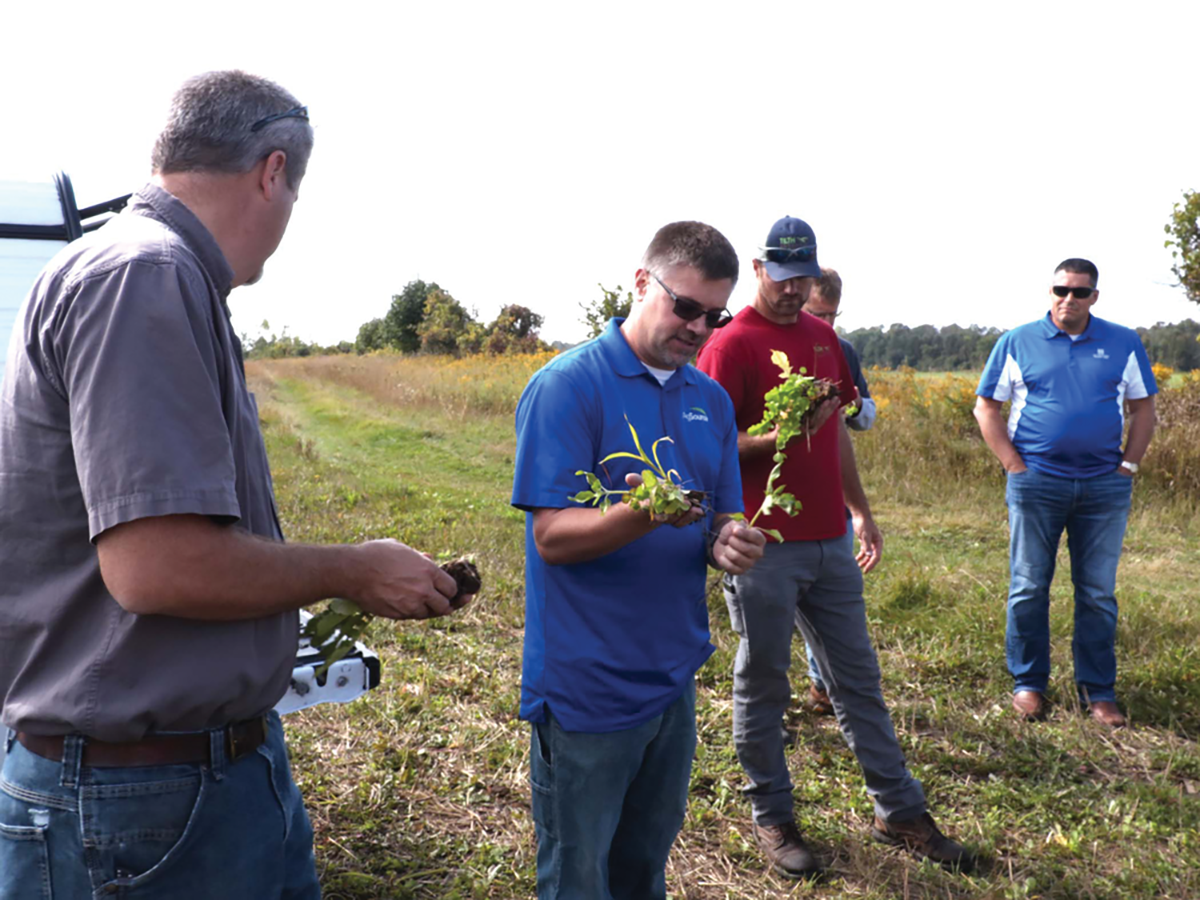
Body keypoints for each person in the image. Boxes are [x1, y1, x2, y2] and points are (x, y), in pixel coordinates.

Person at [0, 71, 468, 900]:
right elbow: (157, 567)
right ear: (272, 172)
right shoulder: (143, 275)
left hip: (193, 775)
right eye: (297, 192)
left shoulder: (154, 273)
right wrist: (355, 570)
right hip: (140, 801)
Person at [696, 215, 972, 879]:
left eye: (807, 279)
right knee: (763, 682)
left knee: (859, 682)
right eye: (784, 278)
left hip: (828, 541)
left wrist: (861, 511)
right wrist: (781, 435)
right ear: (759, 271)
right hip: (764, 540)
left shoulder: (825, 339)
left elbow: (839, 435)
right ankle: (773, 813)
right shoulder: (729, 346)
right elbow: (710, 447)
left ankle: (898, 811)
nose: (795, 291)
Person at [511, 221, 766, 899]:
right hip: (586, 687)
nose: (699, 328)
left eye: (715, 316)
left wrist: (729, 540)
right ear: (642, 283)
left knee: (642, 870)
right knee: (579, 876)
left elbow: (722, 516)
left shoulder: (709, 401)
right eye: (685, 307)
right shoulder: (569, 387)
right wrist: (641, 514)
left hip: (671, 679)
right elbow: (552, 538)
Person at [974, 258, 1157, 728]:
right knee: (1029, 587)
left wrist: (1128, 466)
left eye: (1079, 292)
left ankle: (1099, 692)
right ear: (1050, 291)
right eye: (1060, 290)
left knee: (1097, 593)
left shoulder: (1123, 342)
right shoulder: (1017, 341)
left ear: (1095, 296)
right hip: (1037, 484)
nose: (1068, 300)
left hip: (1104, 488)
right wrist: (1014, 466)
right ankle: (1029, 685)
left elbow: (1143, 409)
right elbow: (986, 408)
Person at [798, 267, 876, 715]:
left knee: (827, 595)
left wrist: (855, 405)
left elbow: (864, 418)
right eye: (815, 312)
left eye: (831, 315)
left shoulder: (841, 350)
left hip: (830, 490)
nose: (824, 324)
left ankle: (822, 686)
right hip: (773, 492)